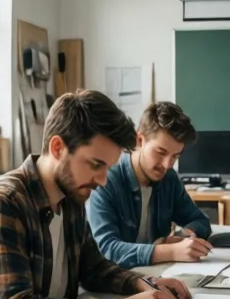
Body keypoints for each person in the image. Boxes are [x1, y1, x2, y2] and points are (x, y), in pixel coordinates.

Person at [0, 90, 191, 299]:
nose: (102, 181)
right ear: (57, 148)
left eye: (108, 168)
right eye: (95, 164)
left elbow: (93, 269)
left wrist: (142, 283)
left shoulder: (70, 198)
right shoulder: (1, 204)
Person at [87, 100, 214, 268]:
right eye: (161, 152)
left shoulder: (169, 179)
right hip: (115, 280)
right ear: (139, 140)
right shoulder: (106, 180)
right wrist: (170, 251)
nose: (168, 164)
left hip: (156, 274)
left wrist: (184, 236)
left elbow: (200, 220)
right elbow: (107, 249)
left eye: (175, 156)